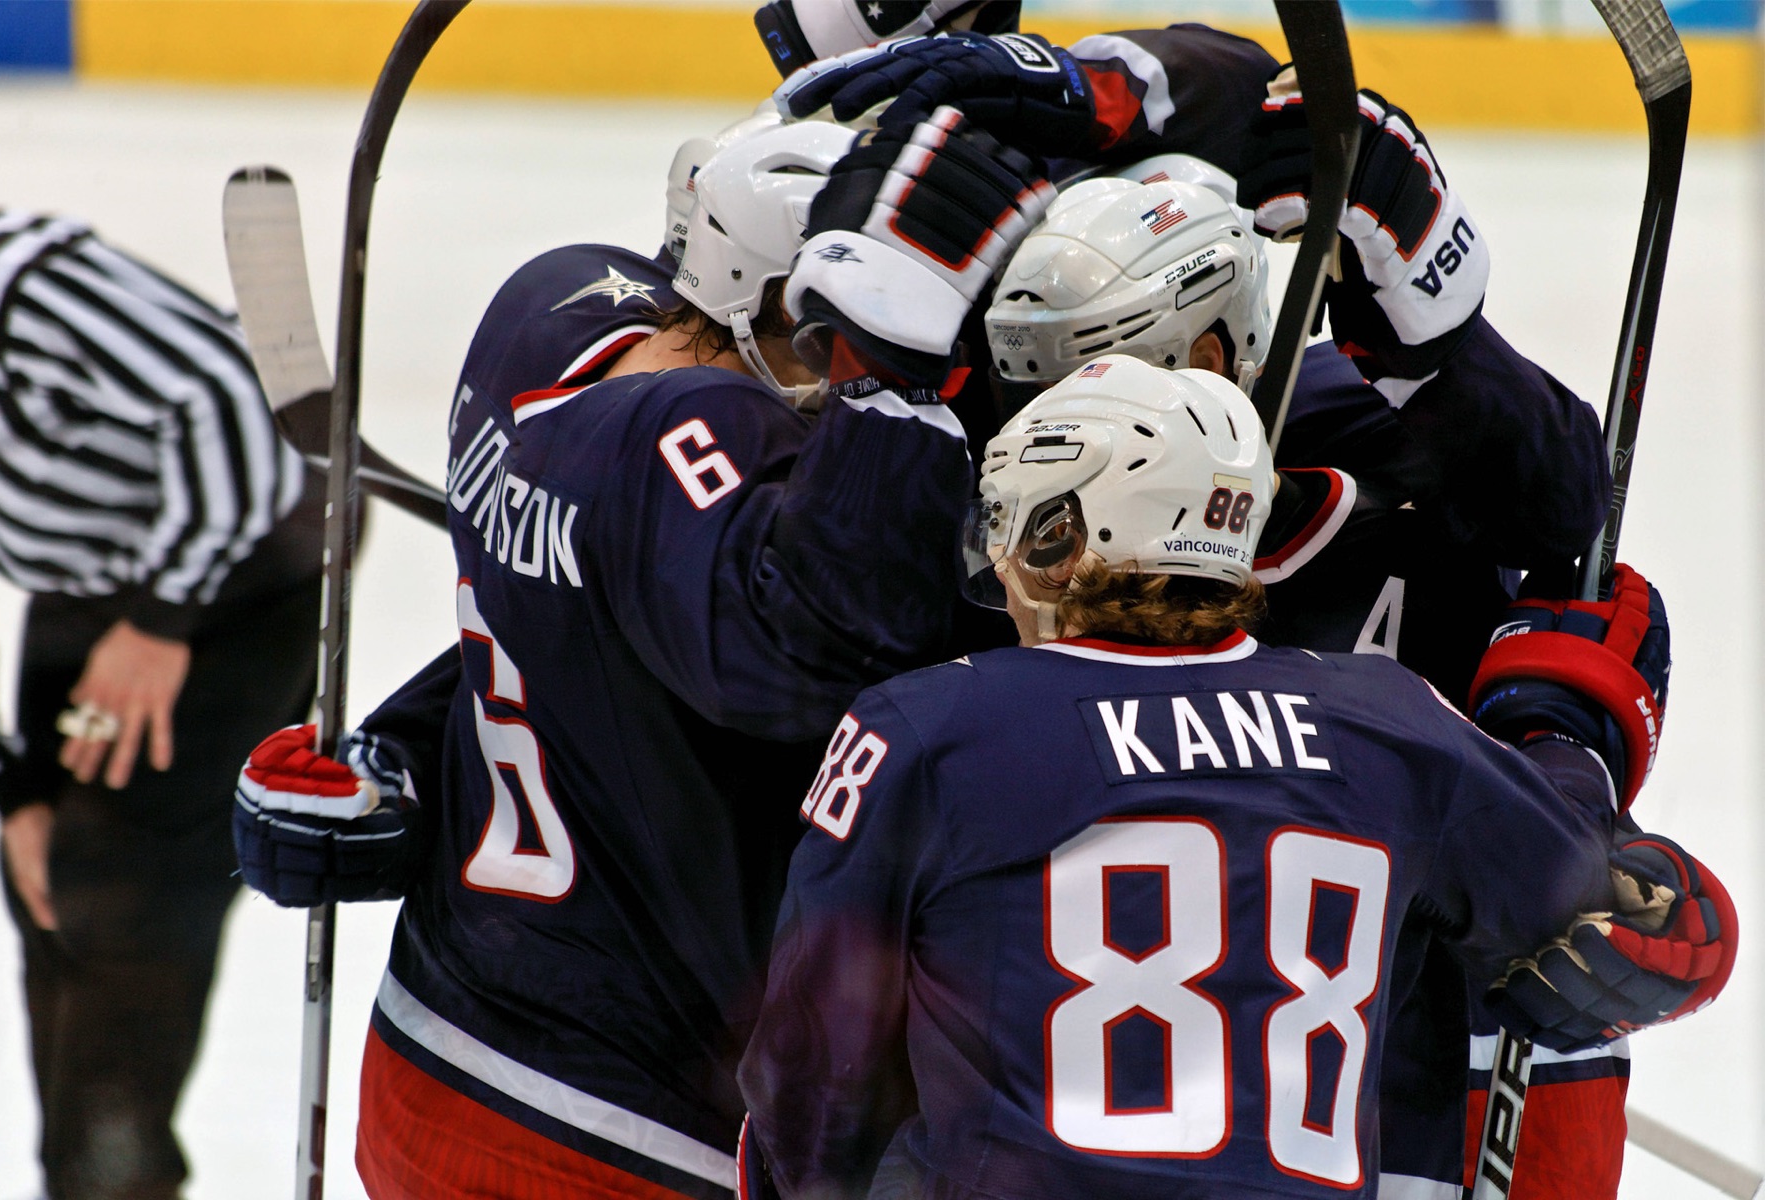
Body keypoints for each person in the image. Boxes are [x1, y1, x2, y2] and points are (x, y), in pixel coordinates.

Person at [771, 18, 1636, 1190]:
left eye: (1109, 364)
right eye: (1036, 378)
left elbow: (1562, 512)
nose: (1052, 417)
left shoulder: (1387, 449)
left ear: (1221, 350)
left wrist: (1437, 328)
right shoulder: (999, 491)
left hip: (1393, 1084)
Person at [231, 109, 1056, 1197]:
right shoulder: (695, 440)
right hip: (632, 1127)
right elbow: (823, 653)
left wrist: (405, 750)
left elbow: (569, 619)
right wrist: (894, 398)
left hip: (433, 1059)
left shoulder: (548, 329)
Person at [736, 355, 1730, 1198]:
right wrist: (1563, 729)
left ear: (1059, 537)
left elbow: (809, 1084)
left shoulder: (927, 729)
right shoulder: (1389, 723)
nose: (997, 562)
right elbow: (1634, 921)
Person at [0, 209, 324, 1200]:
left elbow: (228, 399)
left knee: (120, 892)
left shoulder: (4, 289)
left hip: (252, 559)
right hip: (98, 579)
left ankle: (115, 1181)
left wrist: (162, 622)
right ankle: (83, 1177)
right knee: (47, 881)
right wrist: (11, 786)